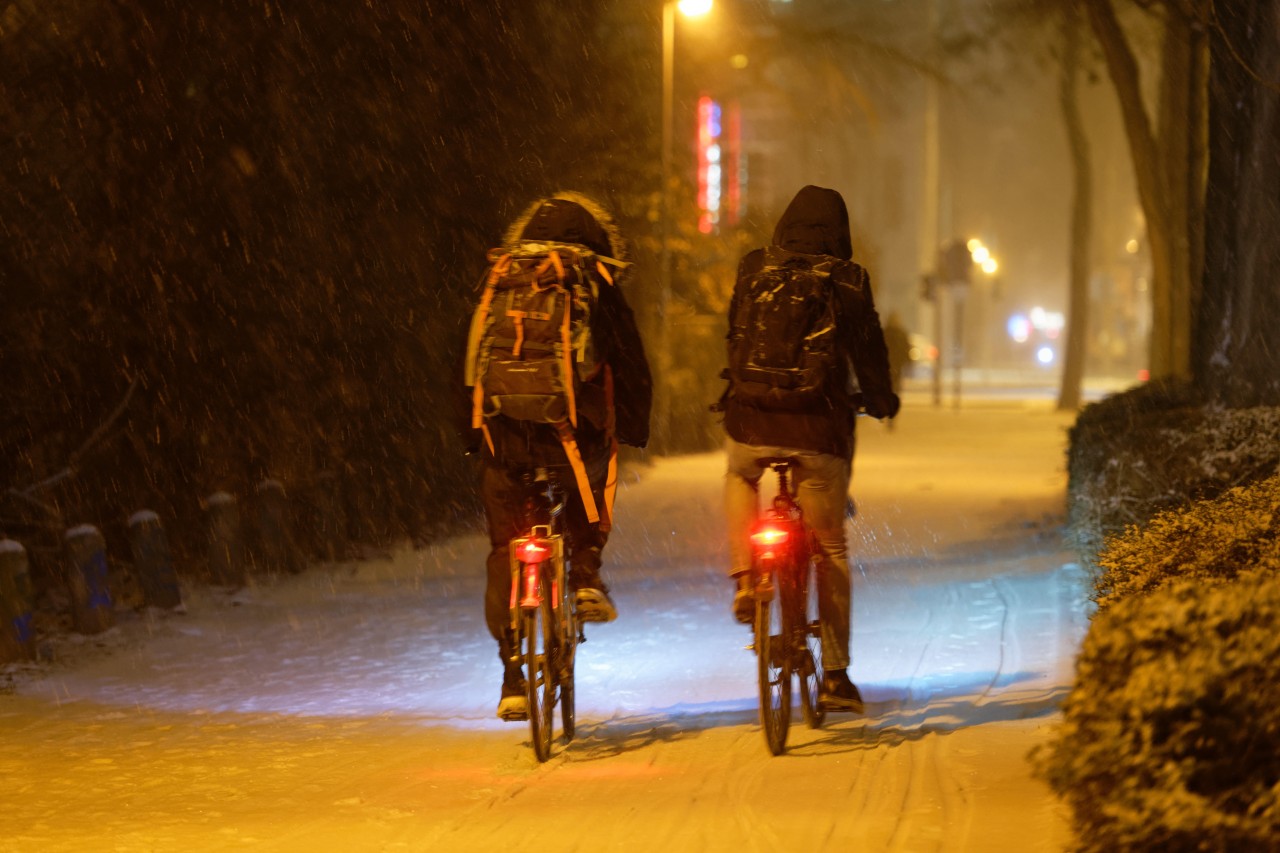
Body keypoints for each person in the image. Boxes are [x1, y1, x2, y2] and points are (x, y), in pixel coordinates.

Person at [462, 191, 652, 721]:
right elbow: (630, 360)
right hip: (572, 434)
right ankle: (586, 575)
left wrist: (470, 431)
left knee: (506, 548)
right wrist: (634, 427)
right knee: (593, 485)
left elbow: (467, 355)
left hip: (503, 435)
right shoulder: (594, 279)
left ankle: (511, 678)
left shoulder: (501, 277)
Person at [719, 185, 898, 714]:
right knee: (832, 549)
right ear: (839, 233)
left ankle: (746, 579)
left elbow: (734, 337)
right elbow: (868, 348)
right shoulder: (847, 278)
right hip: (819, 431)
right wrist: (880, 397)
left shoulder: (754, 267)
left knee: (738, 475)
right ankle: (837, 675)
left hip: (751, 422)